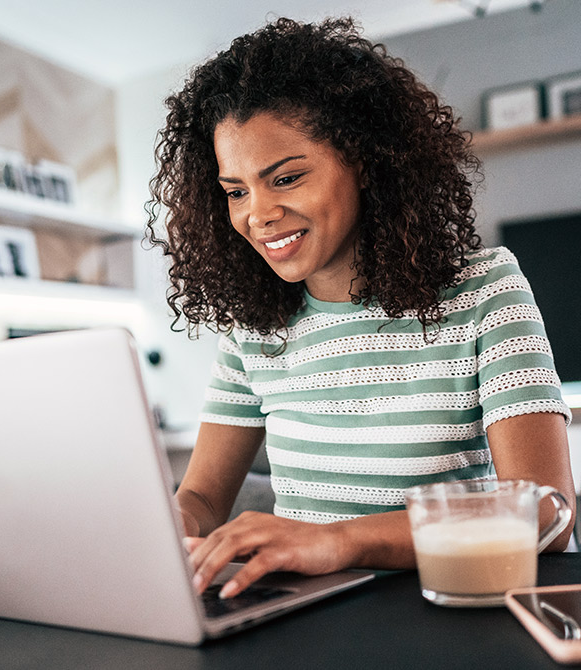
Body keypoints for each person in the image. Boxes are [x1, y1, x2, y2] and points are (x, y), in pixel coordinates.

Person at [145, 17, 575, 600]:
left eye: (287, 178)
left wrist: (339, 541)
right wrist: (174, 525)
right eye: (236, 191)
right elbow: (199, 498)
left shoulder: (484, 289)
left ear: (366, 162)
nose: (258, 214)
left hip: (453, 605)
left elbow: (548, 513)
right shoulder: (253, 329)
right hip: (304, 614)